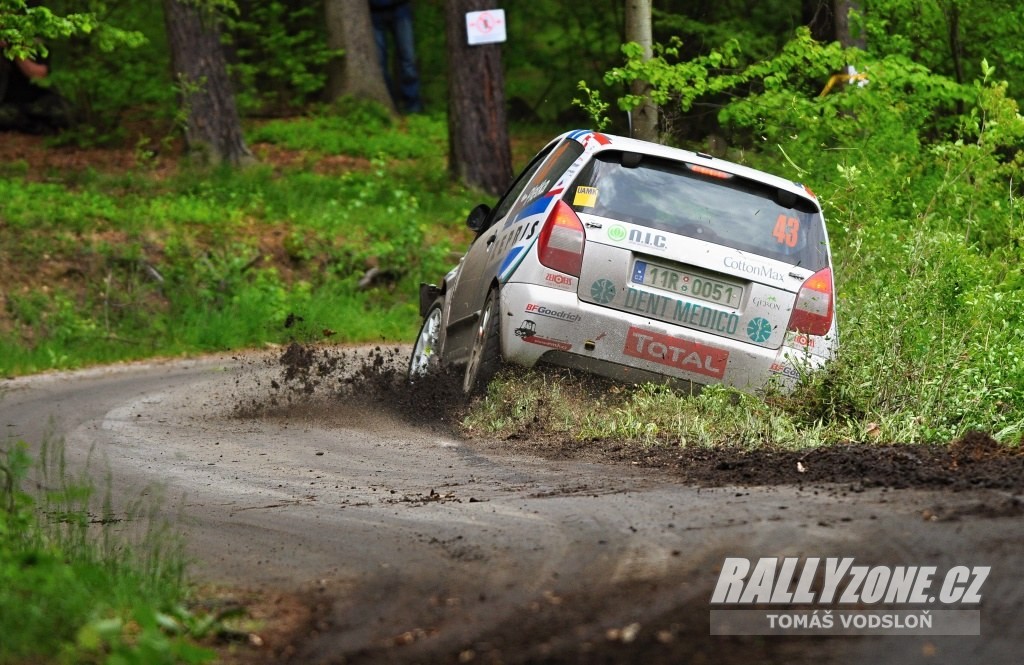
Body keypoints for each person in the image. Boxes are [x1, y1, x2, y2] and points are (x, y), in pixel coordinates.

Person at [369, 0, 424, 114]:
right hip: (374, 13)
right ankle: (390, 104)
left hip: (400, 9)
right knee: (379, 63)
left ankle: (413, 106)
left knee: (408, 59)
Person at [0, 48, 71, 134]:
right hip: (10, 106)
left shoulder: (38, 47)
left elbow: (39, 75)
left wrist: (15, 51)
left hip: (39, 103)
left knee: (63, 113)